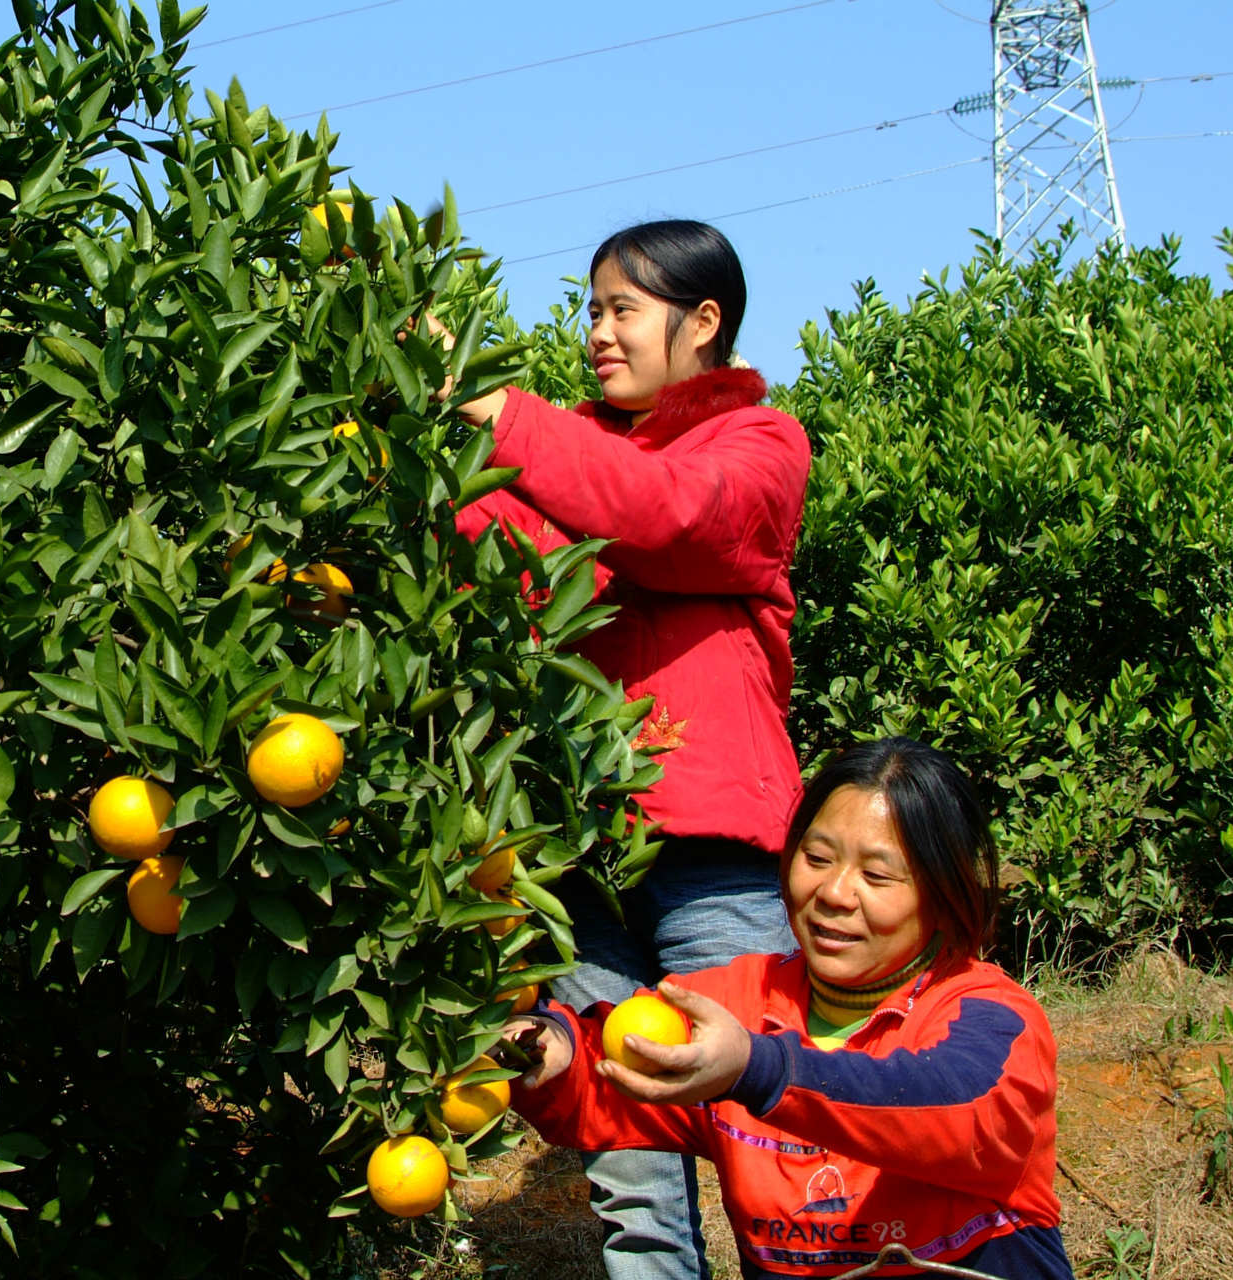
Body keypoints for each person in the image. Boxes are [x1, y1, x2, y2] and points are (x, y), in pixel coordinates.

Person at [440, 219, 810, 1279]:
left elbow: (662, 515)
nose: (598, 332)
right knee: (630, 1160)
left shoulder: (757, 447)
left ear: (704, 323)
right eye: (592, 309)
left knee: (763, 1130)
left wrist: (503, 412)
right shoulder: (562, 459)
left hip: (708, 847)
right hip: (582, 851)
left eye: (623, 309)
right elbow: (477, 550)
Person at [499, 738, 1073, 1280]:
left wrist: (758, 1068)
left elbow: (949, 1108)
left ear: (945, 893)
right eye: (817, 858)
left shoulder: (990, 1016)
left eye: (876, 875)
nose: (835, 893)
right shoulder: (739, 1001)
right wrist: (554, 1053)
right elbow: (623, 1069)